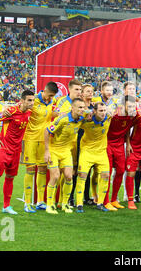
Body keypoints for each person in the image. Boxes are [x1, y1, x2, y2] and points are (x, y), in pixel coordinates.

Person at [0, 90, 35, 217]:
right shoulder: (11, 111)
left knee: (10, 178)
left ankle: (6, 206)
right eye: (29, 100)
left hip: (16, 151)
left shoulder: (29, 112)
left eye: (33, 100)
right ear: (22, 100)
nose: (32, 103)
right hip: (3, 149)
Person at [20, 82, 58, 213]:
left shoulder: (52, 101)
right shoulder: (33, 100)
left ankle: (40, 201)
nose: (50, 98)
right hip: (30, 139)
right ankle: (27, 203)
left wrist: (56, 114)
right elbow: (21, 109)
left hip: (44, 141)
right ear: (45, 91)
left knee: (42, 170)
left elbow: (48, 116)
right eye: (49, 95)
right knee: (30, 170)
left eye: (52, 96)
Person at [44, 98, 86, 214]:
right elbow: (47, 131)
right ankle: (49, 204)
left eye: (83, 107)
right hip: (54, 150)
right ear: (72, 108)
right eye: (79, 107)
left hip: (66, 151)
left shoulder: (81, 119)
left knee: (69, 176)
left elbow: (93, 115)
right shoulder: (63, 119)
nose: (82, 110)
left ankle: (65, 204)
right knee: (55, 176)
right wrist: (47, 151)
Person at [76, 102, 113, 212]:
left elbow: (120, 109)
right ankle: (79, 204)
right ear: (94, 111)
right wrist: (84, 116)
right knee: (82, 175)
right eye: (101, 111)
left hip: (101, 153)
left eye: (104, 110)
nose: (103, 113)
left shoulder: (108, 117)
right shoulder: (87, 121)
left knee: (106, 175)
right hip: (87, 152)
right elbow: (75, 118)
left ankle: (100, 203)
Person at [104, 95, 138, 210]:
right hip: (107, 143)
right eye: (130, 106)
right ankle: (105, 201)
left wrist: (128, 143)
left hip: (119, 145)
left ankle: (114, 200)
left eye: (134, 106)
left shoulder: (133, 115)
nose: (132, 108)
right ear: (123, 106)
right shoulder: (114, 114)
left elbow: (127, 128)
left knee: (120, 171)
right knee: (107, 173)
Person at [54, 79, 82, 207]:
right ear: (69, 89)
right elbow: (54, 115)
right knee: (59, 172)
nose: (79, 92)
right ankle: (56, 200)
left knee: (72, 172)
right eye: (76, 89)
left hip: (75, 143)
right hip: (61, 143)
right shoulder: (62, 101)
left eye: (80, 90)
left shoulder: (80, 104)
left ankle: (66, 200)